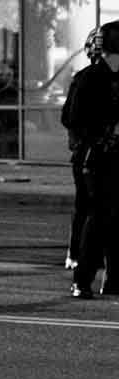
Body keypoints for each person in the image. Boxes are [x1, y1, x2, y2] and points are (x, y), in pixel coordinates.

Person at [66, 20, 119, 298]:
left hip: (115, 157)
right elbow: (73, 119)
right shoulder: (89, 79)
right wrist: (105, 129)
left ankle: (113, 280)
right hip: (96, 159)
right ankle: (82, 279)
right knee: (98, 218)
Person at [61, 28, 105, 271]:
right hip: (89, 152)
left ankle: (83, 254)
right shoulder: (86, 78)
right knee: (88, 205)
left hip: (89, 151)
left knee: (90, 206)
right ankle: (78, 254)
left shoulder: (85, 77)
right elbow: (70, 117)